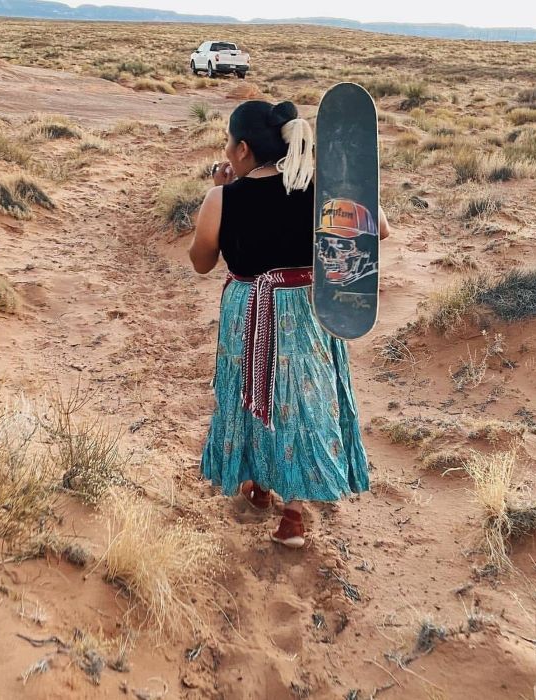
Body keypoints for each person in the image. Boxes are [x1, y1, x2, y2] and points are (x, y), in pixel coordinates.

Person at [187, 100, 389, 548]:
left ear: (241, 149)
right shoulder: (319, 190)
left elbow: (201, 262)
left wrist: (218, 191)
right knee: (302, 398)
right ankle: (293, 515)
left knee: (248, 390)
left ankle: (258, 483)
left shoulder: (222, 198)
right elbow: (380, 230)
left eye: (227, 142)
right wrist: (335, 180)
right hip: (308, 309)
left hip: (249, 309)